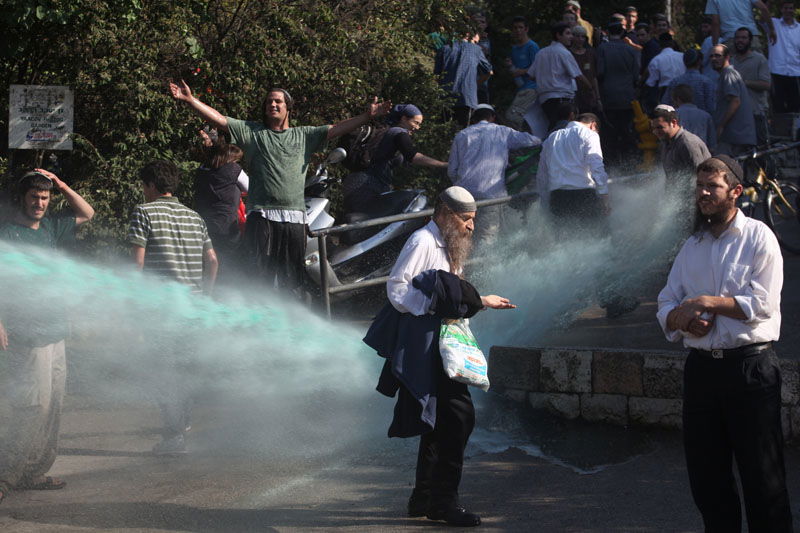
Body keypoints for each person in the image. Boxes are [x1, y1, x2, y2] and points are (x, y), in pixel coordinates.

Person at [364, 186, 515, 527]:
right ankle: (443, 504)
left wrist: (478, 301)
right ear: (445, 214)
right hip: (426, 342)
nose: (471, 227)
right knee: (458, 418)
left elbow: (452, 289)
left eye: (473, 220)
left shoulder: (447, 243)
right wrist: (430, 309)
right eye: (466, 219)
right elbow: (397, 288)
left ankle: (424, 497)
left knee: (439, 421)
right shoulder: (422, 241)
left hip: (443, 342)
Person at [656, 155, 792, 533]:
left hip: (750, 371)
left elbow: (763, 304)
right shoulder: (693, 245)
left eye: (711, 187)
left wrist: (706, 302)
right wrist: (677, 318)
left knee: (763, 481)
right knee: (707, 481)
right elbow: (666, 300)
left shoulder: (758, 237)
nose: (702, 194)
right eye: (699, 186)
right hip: (701, 373)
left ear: (734, 190)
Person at [169, 80, 391, 296]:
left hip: (294, 217)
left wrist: (367, 116)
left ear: (288, 108)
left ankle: (287, 320)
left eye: (277, 102)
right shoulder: (254, 133)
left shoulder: (304, 135)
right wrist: (190, 100)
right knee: (256, 276)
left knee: (291, 279)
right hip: (262, 215)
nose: (272, 105)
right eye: (268, 103)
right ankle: (253, 321)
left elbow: (335, 129)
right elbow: (221, 121)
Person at [0, 169, 95, 503]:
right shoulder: (9, 234)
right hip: (27, 334)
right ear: (23, 198)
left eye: (44, 198)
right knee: (32, 407)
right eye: (34, 197)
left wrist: (62, 184)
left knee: (53, 406)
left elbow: (87, 213)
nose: (39, 203)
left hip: (56, 332)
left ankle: (33, 471)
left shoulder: (53, 228)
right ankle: (6, 476)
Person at [127, 160, 219, 454]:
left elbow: (137, 262)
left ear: (152, 186)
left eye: (144, 186)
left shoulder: (144, 212)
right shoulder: (194, 217)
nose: (143, 192)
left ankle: (172, 437)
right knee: (184, 367)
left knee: (164, 370)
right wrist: (205, 297)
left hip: (162, 308)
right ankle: (183, 424)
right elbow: (213, 260)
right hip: (191, 307)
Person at [448, 104, 541, 244]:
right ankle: (482, 266)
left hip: (463, 196)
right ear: (492, 117)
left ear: (474, 118)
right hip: (491, 196)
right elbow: (533, 141)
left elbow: (452, 170)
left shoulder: (461, 135)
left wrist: (461, 186)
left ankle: (461, 265)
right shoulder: (502, 131)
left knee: (462, 237)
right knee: (486, 239)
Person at [342, 104, 447, 214]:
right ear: (404, 119)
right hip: (366, 186)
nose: (417, 128)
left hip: (356, 183)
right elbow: (412, 156)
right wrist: (442, 164)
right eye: (415, 123)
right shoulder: (398, 132)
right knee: (366, 226)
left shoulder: (386, 131)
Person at [194, 140, 248, 278]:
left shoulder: (202, 169)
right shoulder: (233, 169)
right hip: (226, 224)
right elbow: (250, 188)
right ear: (230, 158)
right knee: (228, 261)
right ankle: (226, 290)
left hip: (203, 223)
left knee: (206, 261)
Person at [528, 22, 591, 130]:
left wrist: (546, 78)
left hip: (545, 99)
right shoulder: (563, 52)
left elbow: (531, 75)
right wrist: (591, 88)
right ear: (558, 35)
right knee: (563, 128)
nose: (571, 37)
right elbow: (578, 75)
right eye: (567, 33)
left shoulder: (541, 53)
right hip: (562, 97)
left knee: (553, 126)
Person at [650, 105, 712, 209]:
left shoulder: (688, 143)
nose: (656, 132)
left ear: (673, 123)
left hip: (695, 204)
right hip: (678, 202)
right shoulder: (665, 143)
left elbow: (703, 177)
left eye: (660, 127)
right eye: (653, 128)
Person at [597, 21, 641, 164]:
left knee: (611, 132)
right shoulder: (630, 50)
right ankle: (630, 161)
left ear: (608, 33)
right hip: (627, 96)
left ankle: (613, 162)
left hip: (609, 96)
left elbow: (600, 72)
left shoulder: (602, 48)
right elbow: (636, 75)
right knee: (627, 129)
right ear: (622, 33)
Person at [435, 29, 494, 128]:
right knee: (464, 131)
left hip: (446, 97)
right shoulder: (476, 49)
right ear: (469, 34)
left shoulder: (444, 49)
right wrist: (476, 84)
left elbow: (437, 75)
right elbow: (489, 72)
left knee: (444, 131)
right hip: (467, 97)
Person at [710, 44, 757, 155]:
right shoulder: (725, 75)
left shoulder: (728, 74)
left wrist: (721, 126)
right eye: (711, 56)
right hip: (734, 137)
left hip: (734, 138)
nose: (713, 59)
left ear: (727, 57)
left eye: (717, 56)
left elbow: (735, 101)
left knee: (723, 170)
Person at [732, 27, 771, 145]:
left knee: (760, 149)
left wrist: (744, 82)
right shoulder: (731, 61)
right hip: (736, 114)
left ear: (750, 40)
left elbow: (766, 84)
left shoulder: (759, 59)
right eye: (738, 38)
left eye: (744, 38)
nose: (740, 41)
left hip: (756, 113)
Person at [504, 17, 540, 131]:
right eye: (515, 28)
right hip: (520, 88)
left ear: (526, 29)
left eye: (521, 27)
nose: (518, 30)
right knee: (522, 120)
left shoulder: (532, 46)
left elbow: (538, 68)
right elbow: (514, 71)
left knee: (512, 117)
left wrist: (522, 71)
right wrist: (510, 66)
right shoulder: (514, 49)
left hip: (531, 88)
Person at [662, 49, 716, 114]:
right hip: (701, 121)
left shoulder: (675, 82)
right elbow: (711, 107)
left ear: (684, 62)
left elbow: (666, 104)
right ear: (699, 61)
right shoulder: (706, 82)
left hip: (678, 121)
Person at [769, 0, 800, 113]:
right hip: (777, 72)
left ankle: (795, 131)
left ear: (794, 10)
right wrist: (769, 3)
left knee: (796, 107)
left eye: (791, 8)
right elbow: (762, 18)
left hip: (795, 73)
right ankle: (780, 131)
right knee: (778, 107)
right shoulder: (773, 23)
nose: (788, 10)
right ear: (781, 9)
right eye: (785, 8)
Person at [705, 0, 776, 49]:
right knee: (756, 66)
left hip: (731, 37)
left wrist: (715, 46)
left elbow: (715, 23)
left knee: (733, 69)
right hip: (750, 36)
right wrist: (772, 30)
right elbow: (763, 8)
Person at [673, 84, 718, 150]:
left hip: (678, 154)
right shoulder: (706, 116)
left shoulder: (673, 114)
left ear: (678, 99)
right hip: (701, 154)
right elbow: (712, 144)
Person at [569, 25, 601, 114]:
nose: (580, 39)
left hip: (589, 95)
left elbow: (594, 77)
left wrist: (598, 98)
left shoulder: (591, 53)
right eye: (577, 36)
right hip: (574, 95)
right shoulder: (567, 54)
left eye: (583, 36)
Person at [645, 34, 686, 101]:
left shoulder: (656, 60)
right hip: (684, 91)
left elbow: (651, 82)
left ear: (659, 44)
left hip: (666, 92)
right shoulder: (683, 56)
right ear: (672, 43)